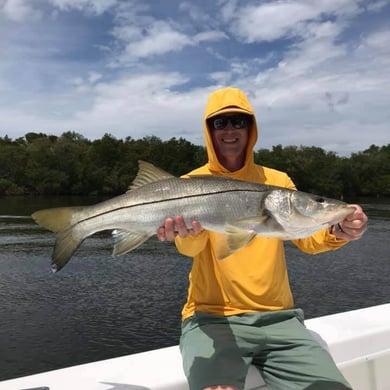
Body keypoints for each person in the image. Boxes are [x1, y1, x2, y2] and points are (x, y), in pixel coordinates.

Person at [157, 87, 368, 390]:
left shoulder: (277, 181)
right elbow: (190, 248)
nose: (230, 130)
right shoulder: (189, 184)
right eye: (220, 123)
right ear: (209, 130)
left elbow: (307, 238)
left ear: (251, 128)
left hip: (281, 321)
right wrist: (184, 234)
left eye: (239, 121)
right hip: (212, 319)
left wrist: (339, 230)